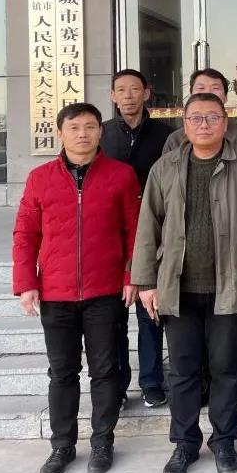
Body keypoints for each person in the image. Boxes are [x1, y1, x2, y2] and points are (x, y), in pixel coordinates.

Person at [131, 92, 237, 473]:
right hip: (178, 287)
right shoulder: (165, 167)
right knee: (183, 370)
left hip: (229, 283)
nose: (204, 124)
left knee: (227, 367)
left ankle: (224, 440)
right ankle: (185, 442)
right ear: (185, 124)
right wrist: (145, 281)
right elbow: (148, 226)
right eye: (195, 118)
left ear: (225, 123)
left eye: (212, 117)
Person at [12, 102, 141, 473]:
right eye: (74, 127)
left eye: (90, 127)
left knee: (105, 370)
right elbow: (25, 233)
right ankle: (62, 445)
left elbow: (135, 231)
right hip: (56, 292)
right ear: (60, 133)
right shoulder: (40, 178)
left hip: (105, 291)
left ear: (101, 131)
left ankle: (102, 442)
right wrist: (26, 283)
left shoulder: (121, 175)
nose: (82, 134)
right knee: (62, 372)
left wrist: (132, 275)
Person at [100, 69, 172, 409]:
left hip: (154, 229)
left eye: (134, 89)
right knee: (113, 316)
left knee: (150, 310)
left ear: (147, 92)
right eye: (121, 90)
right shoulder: (101, 134)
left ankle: (151, 381)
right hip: (110, 234)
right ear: (113, 95)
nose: (128, 96)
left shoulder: (166, 135)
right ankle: (117, 383)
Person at [162, 68, 237, 161]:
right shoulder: (175, 140)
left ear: (225, 97)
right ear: (191, 95)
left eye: (215, 88)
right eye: (201, 88)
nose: (208, 92)